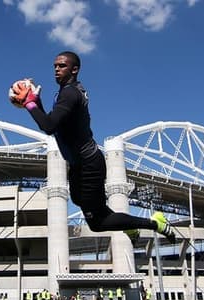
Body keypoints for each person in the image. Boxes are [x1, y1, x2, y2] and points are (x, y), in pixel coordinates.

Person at [10, 51, 176, 241]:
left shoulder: (70, 94)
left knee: (97, 223)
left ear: (75, 69)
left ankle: (155, 223)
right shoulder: (66, 92)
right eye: (55, 65)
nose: (57, 69)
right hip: (79, 164)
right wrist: (35, 102)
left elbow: (48, 126)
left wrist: (30, 104)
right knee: (79, 200)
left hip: (89, 164)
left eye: (62, 66)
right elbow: (53, 122)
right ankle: (127, 225)